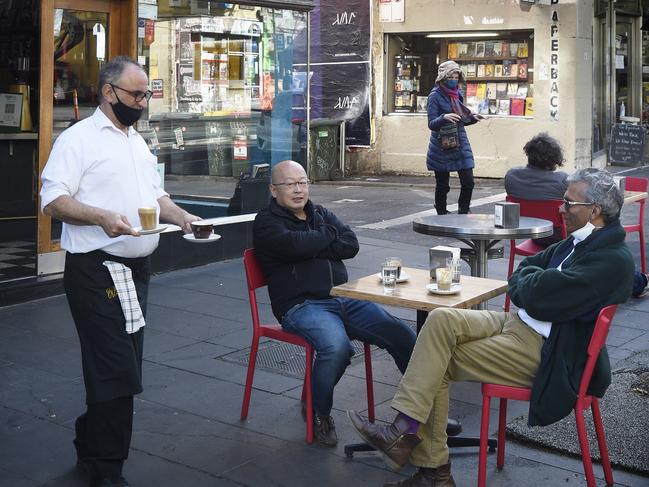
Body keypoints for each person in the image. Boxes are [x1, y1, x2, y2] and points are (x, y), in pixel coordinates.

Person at [348, 168, 635, 487]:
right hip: (519, 324)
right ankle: (405, 434)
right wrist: (536, 285)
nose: (561, 208)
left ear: (594, 210)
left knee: (434, 364)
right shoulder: (580, 242)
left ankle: (428, 464)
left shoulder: (612, 259)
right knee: (442, 318)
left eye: (569, 203)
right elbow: (525, 271)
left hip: (551, 352)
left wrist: (535, 286)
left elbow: (537, 295)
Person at [40, 56, 199, 487]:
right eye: (136, 94)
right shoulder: (78, 139)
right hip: (95, 271)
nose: (143, 102)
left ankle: (89, 438)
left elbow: (157, 196)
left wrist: (184, 218)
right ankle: (107, 470)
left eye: (146, 94)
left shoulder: (136, 142)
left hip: (136, 271)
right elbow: (53, 199)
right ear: (109, 92)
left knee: (124, 365)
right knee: (116, 371)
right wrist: (100, 217)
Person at [253, 160, 418, 447]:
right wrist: (327, 236)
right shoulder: (266, 222)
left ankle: (419, 411)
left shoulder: (319, 213)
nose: (298, 189)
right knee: (337, 348)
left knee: (402, 334)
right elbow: (295, 246)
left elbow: (351, 244)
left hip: (343, 297)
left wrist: (311, 243)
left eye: (302, 182)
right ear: (273, 190)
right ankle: (319, 412)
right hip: (301, 305)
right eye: (290, 184)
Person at [505, 133, 648, 298]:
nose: (562, 207)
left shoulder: (512, 176)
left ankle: (637, 281)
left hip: (534, 235)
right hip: (562, 235)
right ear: (555, 158)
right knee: (607, 261)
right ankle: (640, 281)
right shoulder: (562, 181)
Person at [426, 60, 484, 215]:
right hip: (442, 144)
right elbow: (431, 123)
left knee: (468, 181)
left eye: (456, 76)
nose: (454, 79)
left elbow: (461, 120)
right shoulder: (434, 96)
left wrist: (472, 118)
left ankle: (463, 210)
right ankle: (441, 212)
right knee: (443, 184)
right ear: (443, 77)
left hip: (460, 142)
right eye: (451, 76)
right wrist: (444, 117)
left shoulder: (457, 94)